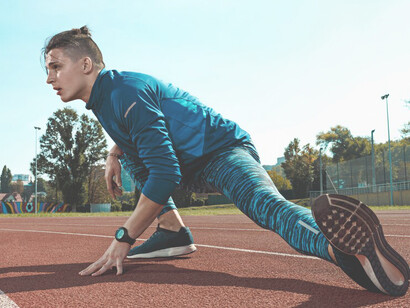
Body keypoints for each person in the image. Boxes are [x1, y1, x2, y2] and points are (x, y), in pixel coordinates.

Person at [42, 26, 408, 297]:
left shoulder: (125, 92)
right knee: (136, 154)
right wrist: (112, 153)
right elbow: (141, 137)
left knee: (266, 207)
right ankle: (173, 232)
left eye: (56, 67)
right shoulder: (106, 98)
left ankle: (340, 248)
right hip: (192, 166)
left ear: (86, 64)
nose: (49, 78)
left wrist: (125, 236)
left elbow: (166, 171)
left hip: (222, 152)